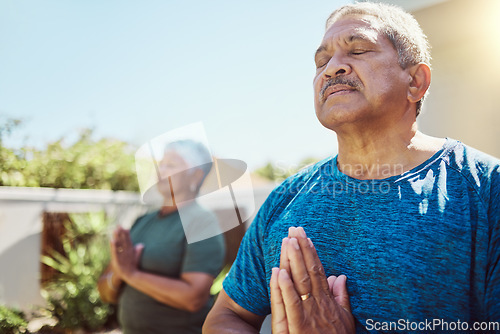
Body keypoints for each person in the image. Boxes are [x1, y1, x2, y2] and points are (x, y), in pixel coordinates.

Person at [203, 2, 500, 333]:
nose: (331, 68)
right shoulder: (283, 200)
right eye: (321, 61)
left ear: (415, 81)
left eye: (357, 50)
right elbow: (227, 316)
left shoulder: (487, 189)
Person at [98, 140, 226, 334]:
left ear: (196, 175)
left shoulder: (202, 222)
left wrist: (131, 274)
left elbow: (193, 299)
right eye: (161, 164)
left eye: (171, 165)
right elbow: (104, 291)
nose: (161, 170)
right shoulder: (143, 221)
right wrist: (118, 274)